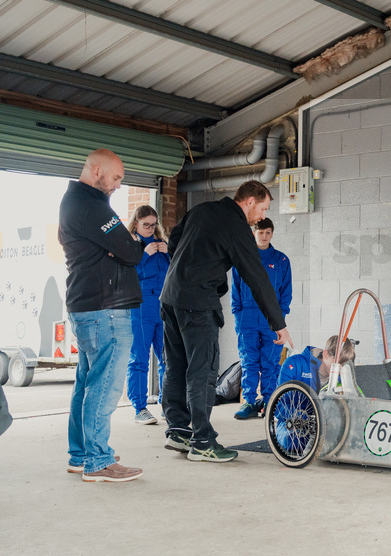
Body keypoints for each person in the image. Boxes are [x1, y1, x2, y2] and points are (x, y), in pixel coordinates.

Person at [160, 180, 294, 463]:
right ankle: (202, 441)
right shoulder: (237, 227)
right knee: (203, 370)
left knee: (176, 365)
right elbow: (256, 276)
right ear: (250, 202)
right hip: (198, 304)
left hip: (171, 297)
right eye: (263, 209)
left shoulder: (202, 210)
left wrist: (183, 271)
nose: (261, 217)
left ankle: (178, 430)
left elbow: (174, 238)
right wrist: (278, 323)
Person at [59, 149, 144, 482]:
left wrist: (122, 244)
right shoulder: (92, 207)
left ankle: (81, 454)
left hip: (88, 306)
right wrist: (127, 243)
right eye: (116, 178)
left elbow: (122, 247)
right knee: (105, 385)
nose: (118, 186)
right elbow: (132, 252)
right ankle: (98, 461)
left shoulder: (74, 203)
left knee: (87, 383)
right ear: (97, 171)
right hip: (105, 309)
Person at [231, 218, 291, 420]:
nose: (264, 236)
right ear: (253, 233)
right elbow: (236, 292)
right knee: (249, 361)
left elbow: (286, 293)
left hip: (271, 320)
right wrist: (238, 316)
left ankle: (268, 401)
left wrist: (279, 319)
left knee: (270, 362)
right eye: (260, 232)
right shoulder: (243, 259)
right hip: (247, 317)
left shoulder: (282, 261)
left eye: (267, 232)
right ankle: (248, 401)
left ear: (272, 234)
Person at [125, 206, 169, 425]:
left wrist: (168, 252)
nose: (151, 229)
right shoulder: (130, 247)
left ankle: (166, 405)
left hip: (163, 307)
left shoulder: (162, 245)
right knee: (139, 359)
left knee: (167, 359)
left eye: (154, 224)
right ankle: (139, 408)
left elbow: (173, 274)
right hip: (141, 307)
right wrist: (143, 255)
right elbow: (126, 275)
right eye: (146, 225)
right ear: (136, 224)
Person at [276, 335, 356, 392]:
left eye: (344, 365)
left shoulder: (341, 377)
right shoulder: (293, 364)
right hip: (296, 415)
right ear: (325, 354)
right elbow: (280, 404)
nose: (340, 369)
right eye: (337, 362)